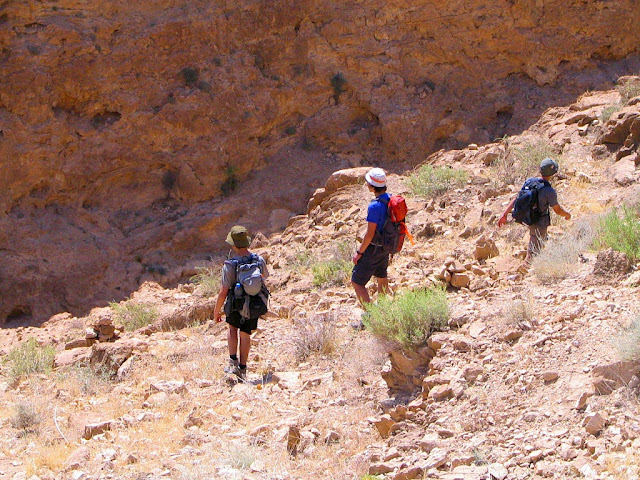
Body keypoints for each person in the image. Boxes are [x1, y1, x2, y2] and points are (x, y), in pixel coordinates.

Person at [213, 225, 268, 380]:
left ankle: (232, 361)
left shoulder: (230, 264)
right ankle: (243, 369)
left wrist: (217, 311)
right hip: (253, 305)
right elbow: (263, 279)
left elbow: (223, 291)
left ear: (233, 245)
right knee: (246, 334)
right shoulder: (258, 259)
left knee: (232, 330)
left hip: (235, 303)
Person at [498, 158, 571, 260]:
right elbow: (557, 210)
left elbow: (517, 198)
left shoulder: (530, 181)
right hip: (539, 222)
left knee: (540, 242)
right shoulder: (549, 191)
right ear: (553, 173)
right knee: (533, 251)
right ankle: (524, 272)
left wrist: (504, 214)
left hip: (528, 217)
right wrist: (567, 215)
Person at [351, 167, 392, 306]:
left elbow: (369, 234)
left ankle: (372, 316)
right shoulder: (391, 199)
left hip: (374, 249)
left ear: (372, 186)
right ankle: (384, 308)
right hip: (386, 246)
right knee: (382, 276)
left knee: (357, 282)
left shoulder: (374, 206)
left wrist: (359, 252)